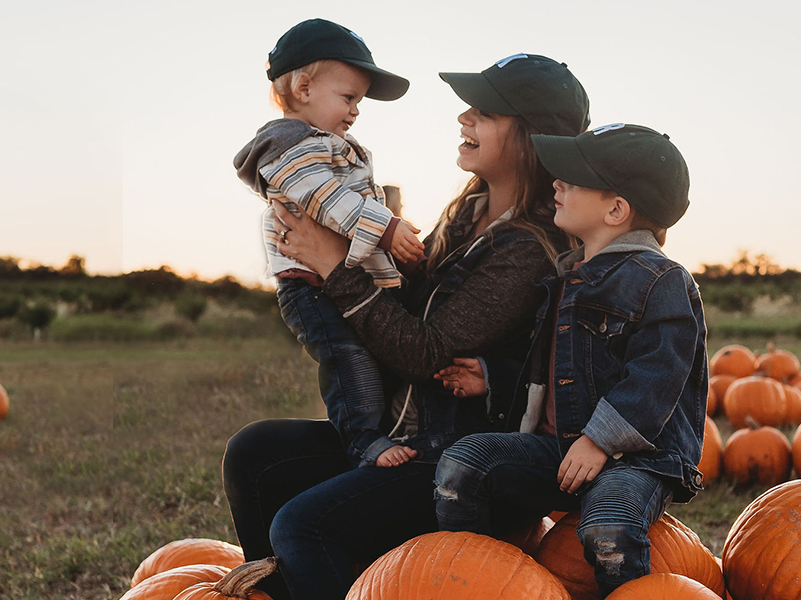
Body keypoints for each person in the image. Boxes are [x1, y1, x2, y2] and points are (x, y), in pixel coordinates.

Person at [221, 54, 590, 600]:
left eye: (484, 111)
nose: (464, 117)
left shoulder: (528, 249)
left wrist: (333, 266)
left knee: (303, 525)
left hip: (457, 457)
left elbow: (424, 351)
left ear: (531, 137)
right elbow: (406, 310)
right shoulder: (467, 212)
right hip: (409, 431)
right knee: (256, 453)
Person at [432, 124, 709, 598]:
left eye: (573, 179)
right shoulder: (567, 275)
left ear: (616, 209)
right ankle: (484, 582)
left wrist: (600, 440)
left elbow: (659, 374)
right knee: (463, 465)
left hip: (635, 460)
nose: (556, 184)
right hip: (560, 448)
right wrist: (497, 383)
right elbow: (550, 370)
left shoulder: (662, 281)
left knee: (609, 530)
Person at [233, 19, 426, 469]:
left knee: (368, 358)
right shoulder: (288, 147)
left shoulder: (323, 142)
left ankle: (374, 430)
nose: (356, 110)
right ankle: (363, 441)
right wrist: (386, 227)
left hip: (331, 277)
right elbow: (326, 199)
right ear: (303, 88)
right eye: (348, 97)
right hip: (309, 286)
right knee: (348, 361)